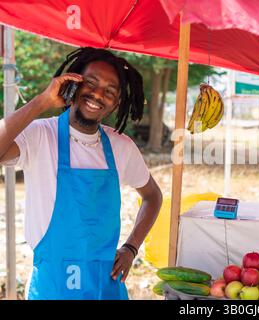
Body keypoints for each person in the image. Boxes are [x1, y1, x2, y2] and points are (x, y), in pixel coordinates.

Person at [0, 47, 163, 299]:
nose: (98, 94)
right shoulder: (41, 135)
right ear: (73, 82)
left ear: (116, 103)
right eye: (91, 83)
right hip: (52, 288)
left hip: (106, 287)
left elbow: (153, 196)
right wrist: (43, 101)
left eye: (110, 91)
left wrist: (131, 248)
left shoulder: (121, 147)